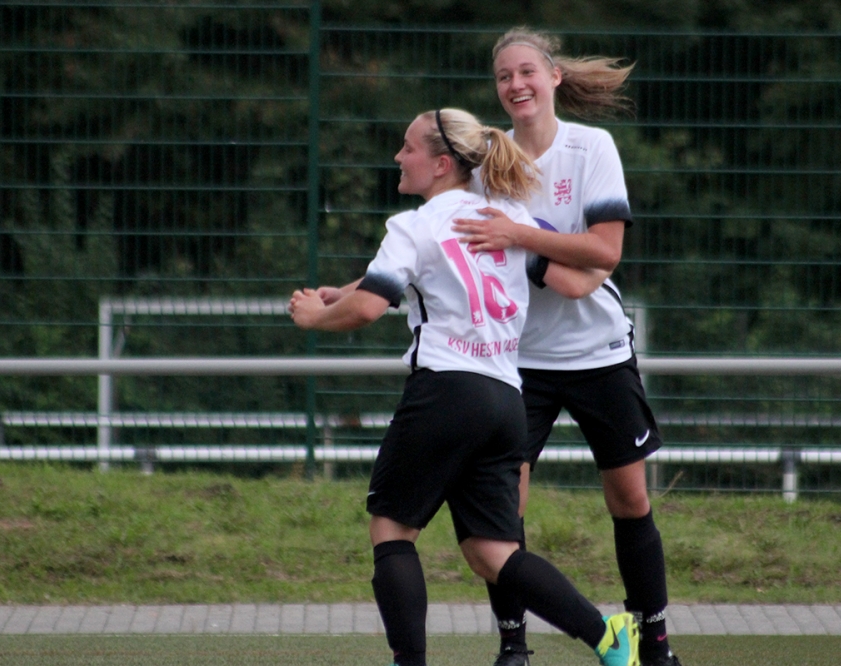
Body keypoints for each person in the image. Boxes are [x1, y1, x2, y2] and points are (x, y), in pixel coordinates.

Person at [290, 108, 641, 666]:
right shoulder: (505, 220)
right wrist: (347, 291)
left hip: (444, 393)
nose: (399, 157)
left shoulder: (412, 226)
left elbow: (370, 308)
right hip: (505, 401)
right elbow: (577, 277)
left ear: (441, 164)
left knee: (392, 530)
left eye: (408, 148)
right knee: (491, 552)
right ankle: (609, 638)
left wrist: (315, 316)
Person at [451, 28, 683, 666]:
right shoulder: (486, 162)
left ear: (553, 77)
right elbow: (454, 246)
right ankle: (513, 645)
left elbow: (604, 252)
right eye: (504, 76)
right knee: (505, 508)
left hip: (598, 353)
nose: (516, 84)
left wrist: (520, 238)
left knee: (629, 498)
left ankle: (655, 644)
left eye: (527, 71)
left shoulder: (591, 147)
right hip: (516, 361)